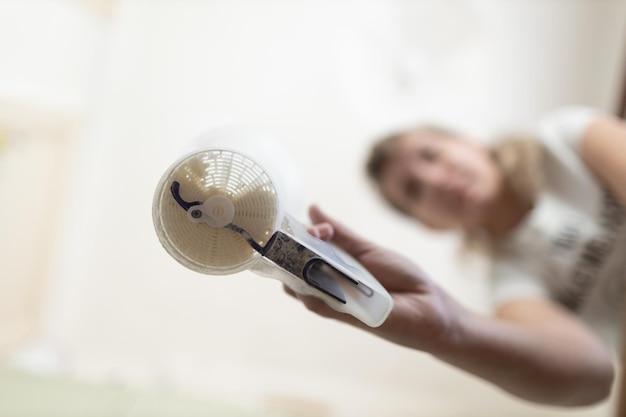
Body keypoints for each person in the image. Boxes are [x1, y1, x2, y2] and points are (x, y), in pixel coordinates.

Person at [284, 106, 626, 407]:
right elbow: (591, 378)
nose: (434, 180)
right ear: (431, 224)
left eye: (430, 155)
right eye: (414, 190)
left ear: (470, 143)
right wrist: (448, 331)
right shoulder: (510, 284)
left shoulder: (564, 139)